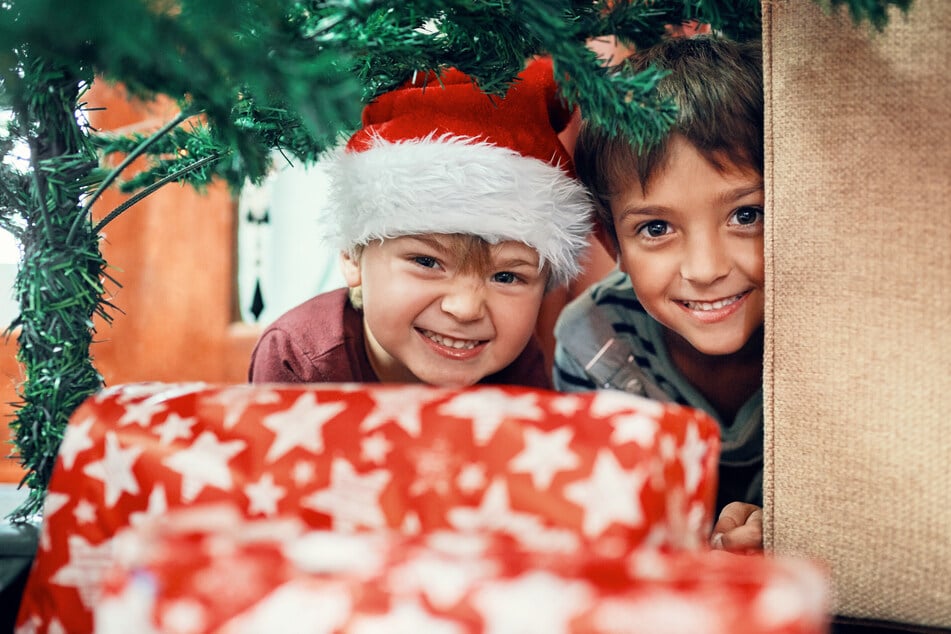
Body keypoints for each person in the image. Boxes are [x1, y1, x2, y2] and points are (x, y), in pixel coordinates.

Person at [249, 57, 593, 389]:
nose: (465, 308)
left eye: (506, 277)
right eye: (426, 262)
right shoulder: (300, 359)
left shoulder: (516, 364)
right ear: (353, 255)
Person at [553, 35, 765, 552]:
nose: (706, 269)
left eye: (746, 215)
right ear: (612, 243)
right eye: (655, 229)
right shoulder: (595, 343)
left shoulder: (834, 322)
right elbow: (606, 519)